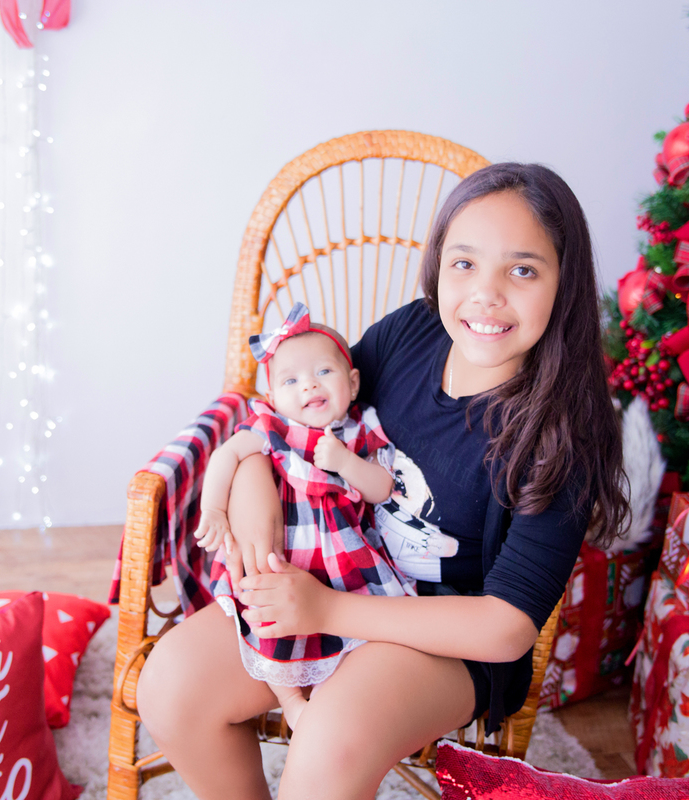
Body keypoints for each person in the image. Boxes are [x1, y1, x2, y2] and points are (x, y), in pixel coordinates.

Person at [137, 162, 628, 800]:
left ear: (564, 285)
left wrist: (326, 609)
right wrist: (254, 486)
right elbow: (299, 423)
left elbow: (506, 628)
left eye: (523, 269)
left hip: (443, 636)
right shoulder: (412, 332)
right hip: (334, 570)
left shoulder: (564, 434)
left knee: (333, 734)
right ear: (437, 264)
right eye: (464, 264)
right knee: (173, 683)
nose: (486, 294)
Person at [193, 301, 414, 729]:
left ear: (352, 382)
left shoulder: (360, 428)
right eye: (291, 380)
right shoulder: (271, 428)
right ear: (273, 398)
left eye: (323, 373)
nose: (309, 386)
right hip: (284, 557)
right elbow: (225, 456)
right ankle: (291, 700)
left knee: (366, 628)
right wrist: (214, 509)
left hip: (345, 554)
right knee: (266, 623)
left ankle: (346, 692)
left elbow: (383, 488)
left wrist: (345, 462)